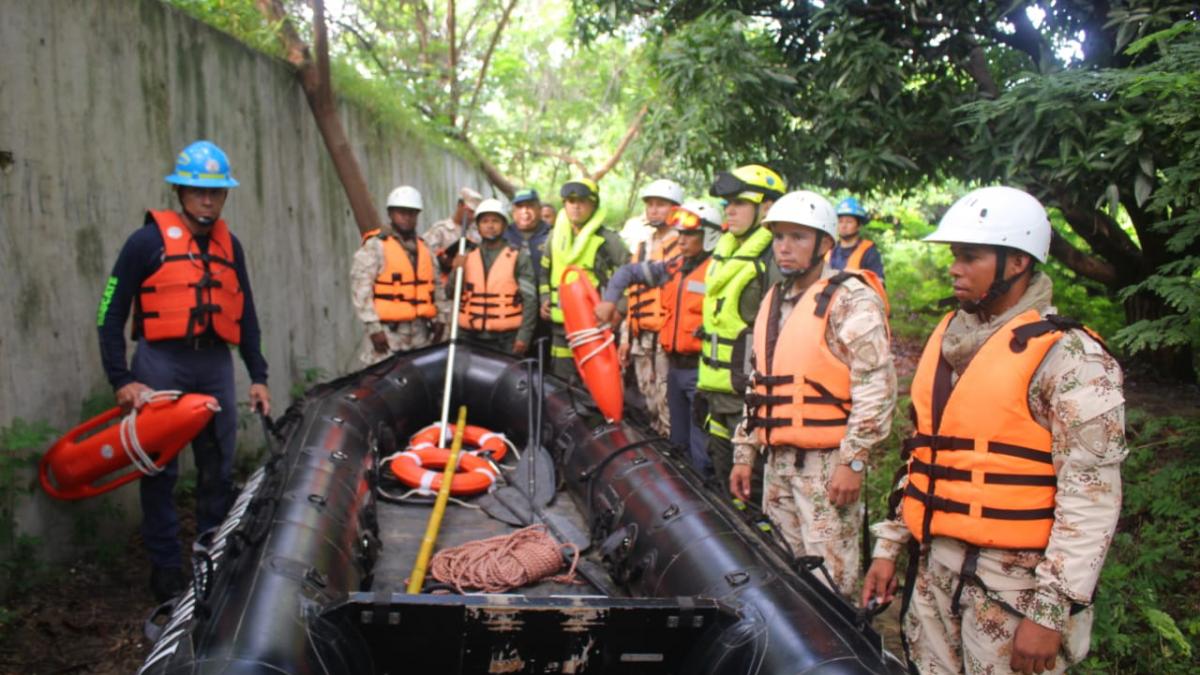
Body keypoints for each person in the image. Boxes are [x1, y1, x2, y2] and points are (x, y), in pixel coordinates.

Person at [860, 186, 1127, 674]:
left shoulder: (1068, 357)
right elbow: (920, 456)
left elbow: (1091, 496)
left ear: (1017, 263)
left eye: (970, 257)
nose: (954, 268)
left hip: (1014, 590)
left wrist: (1049, 613)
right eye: (954, 256)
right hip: (934, 572)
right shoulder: (948, 340)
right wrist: (889, 548)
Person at [96, 140, 271, 602]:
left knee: (217, 466)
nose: (207, 200)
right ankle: (166, 568)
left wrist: (257, 374)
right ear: (180, 192)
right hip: (161, 362)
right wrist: (121, 378)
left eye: (216, 191)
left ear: (225, 195)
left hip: (213, 361)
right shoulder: (145, 242)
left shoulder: (230, 246)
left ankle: (212, 556)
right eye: (198, 191)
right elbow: (109, 312)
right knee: (159, 470)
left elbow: (246, 314)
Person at [729, 190, 895, 597]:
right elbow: (759, 382)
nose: (784, 247)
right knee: (782, 573)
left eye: (797, 237)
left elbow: (876, 387)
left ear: (824, 244)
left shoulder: (851, 298)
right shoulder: (774, 298)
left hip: (826, 466)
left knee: (828, 582)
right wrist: (744, 452)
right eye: (779, 237)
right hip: (778, 461)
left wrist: (853, 462)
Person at [595, 200, 722, 477]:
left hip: (702, 370)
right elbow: (628, 272)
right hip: (674, 368)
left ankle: (708, 498)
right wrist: (609, 300)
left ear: (710, 236)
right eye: (680, 233)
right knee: (677, 440)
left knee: (701, 446)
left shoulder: (719, 271)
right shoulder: (674, 267)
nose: (682, 239)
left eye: (690, 234)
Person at [696, 164, 786, 502]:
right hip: (717, 391)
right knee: (724, 481)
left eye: (739, 203)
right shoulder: (727, 251)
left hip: (748, 398)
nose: (729, 211)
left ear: (766, 207)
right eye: (726, 204)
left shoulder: (772, 259)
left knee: (753, 491)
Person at [539, 178, 629, 380]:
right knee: (561, 385)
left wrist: (619, 310)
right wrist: (544, 297)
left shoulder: (609, 241)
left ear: (593, 204)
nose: (576, 207)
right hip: (561, 329)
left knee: (594, 387)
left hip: (594, 329)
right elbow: (544, 273)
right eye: (571, 201)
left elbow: (631, 278)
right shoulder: (554, 237)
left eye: (582, 201)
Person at [351, 185, 445, 364]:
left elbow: (437, 287)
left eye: (412, 213)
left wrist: (440, 319)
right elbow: (361, 290)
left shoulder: (424, 248)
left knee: (418, 384)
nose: (407, 218)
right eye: (401, 213)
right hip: (387, 334)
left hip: (420, 334)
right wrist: (374, 328)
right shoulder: (376, 246)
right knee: (381, 384)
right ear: (391, 214)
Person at [623, 179, 685, 436]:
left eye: (661, 205)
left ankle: (671, 448)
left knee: (666, 396)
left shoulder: (683, 245)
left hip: (665, 336)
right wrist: (625, 337)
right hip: (640, 334)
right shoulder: (642, 246)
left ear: (675, 209)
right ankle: (655, 440)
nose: (654, 210)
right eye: (650, 205)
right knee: (646, 395)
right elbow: (631, 294)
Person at [455, 198, 538, 354]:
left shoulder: (518, 256)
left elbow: (530, 300)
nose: (490, 226)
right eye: (485, 221)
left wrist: (524, 336)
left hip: (506, 338)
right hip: (470, 336)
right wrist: (456, 270)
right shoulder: (467, 255)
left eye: (495, 221)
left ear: (504, 225)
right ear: (478, 227)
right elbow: (450, 292)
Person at [504, 188, 552, 358]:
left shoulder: (553, 235)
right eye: (520, 207)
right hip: (511, 315)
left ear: (539, 209)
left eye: (530, 206)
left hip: (545, 314)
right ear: (513, 212)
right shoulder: (503, 235)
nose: (525, 212)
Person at [423, 186, 483, 316]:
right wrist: (446, 261)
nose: (472, 217)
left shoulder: (478, 233)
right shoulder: (440, 230)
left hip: (469, 298)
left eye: (475, 213)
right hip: (444, 298)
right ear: (460, 205)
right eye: (469, 211)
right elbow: (426, 261)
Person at [826, 197, 885, 281]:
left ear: (859, 226)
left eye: (849, 222)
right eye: (840, 221)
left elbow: (877, 283)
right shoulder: (829, 249)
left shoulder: (869, 252)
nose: (843, 226)